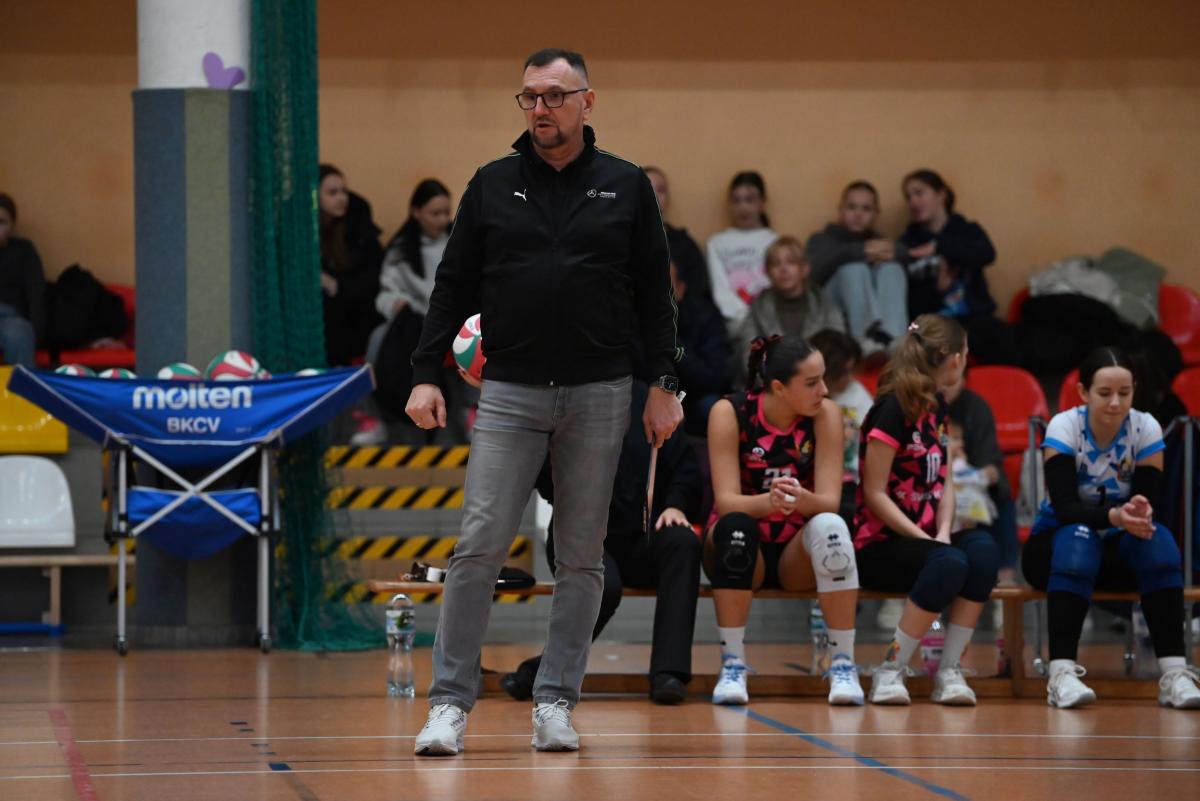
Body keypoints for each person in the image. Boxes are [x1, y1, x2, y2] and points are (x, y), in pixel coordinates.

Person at [405, 48, 683, 755]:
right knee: (478, 546)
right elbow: (452, 284)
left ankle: (556, 699)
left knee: (583, 556)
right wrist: (425, 372)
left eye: (555, 95)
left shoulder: (625, 185)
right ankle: (448, 705)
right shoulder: (492, 184)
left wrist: (666, 384)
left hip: (601, 392)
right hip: (509, 392)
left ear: (587, 101)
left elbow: (657, 295)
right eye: (530, 96)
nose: (541, 109)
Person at [500, 379, 702, 705]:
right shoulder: (561, 400)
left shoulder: (647, 399)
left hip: (644, 534)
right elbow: (539, 478)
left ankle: (669, 673)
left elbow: (685, 468)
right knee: (602, 585)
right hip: (579, 534)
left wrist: (676, 505)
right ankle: (547, 669)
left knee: (683, 543)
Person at [1022, 347, 1200, 709]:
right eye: (1104, 393)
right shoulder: (1064, 426)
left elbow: (1146, 502)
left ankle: (1175, 674)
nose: (1115, 402)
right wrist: (1116, 517)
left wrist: (1138, 510)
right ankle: (1061, 674)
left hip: (1116, 549)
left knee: (1160, 542)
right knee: (1078, 539)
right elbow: (1066, 508)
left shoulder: (1146, 427)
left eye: (1125, 392)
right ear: (1083, 392)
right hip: (1054, 548)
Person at [705, 335, 863, 707]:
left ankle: (843, 665)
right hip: (742, 547)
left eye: (823, 379)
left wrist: (800, 499)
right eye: (812, 383)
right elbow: (726, 502)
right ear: (779, 387)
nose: (824, 390)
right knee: (736, 528)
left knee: (833, 528)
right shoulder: (729, 412)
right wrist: (771, 501)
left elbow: (828, 502)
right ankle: (733, 665)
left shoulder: (827, 414)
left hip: (797, 552)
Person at [854, 314, 998, 706]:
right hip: (880, 544)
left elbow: (944, 479)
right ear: (954, 358)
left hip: (929, 542)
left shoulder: (938, 404)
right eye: (965, 352)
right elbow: (874, 493)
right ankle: (890, 669)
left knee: (983, 552)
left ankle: (949, 670)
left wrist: (944, 531)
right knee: (949, 563)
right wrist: (926, 540)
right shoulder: (892, 408)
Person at [353, 179, 454, 445]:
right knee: (377, 338)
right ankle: (373, 417)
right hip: (412, 324)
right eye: (435, 213)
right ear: (416, 212)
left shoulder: (459, 245)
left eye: (446, 212)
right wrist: (397, 304)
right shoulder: (400, 252)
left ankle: (471, 410)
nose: (442, 219)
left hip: (453, 323)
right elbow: (386, 292)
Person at [898, 169, 1017, 365]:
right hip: (932, 323)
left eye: (919, 193)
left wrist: (938, 246)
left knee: (1002, 336)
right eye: (908, 197)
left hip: (974, 318)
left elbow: (986, 253)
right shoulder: (908, 243)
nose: (913, 202)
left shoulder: (966, 231)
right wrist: (938, 290)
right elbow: (908, 302)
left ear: (941, 194)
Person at [806, 181, 907, 353]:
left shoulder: (880, 243)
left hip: (881, 327)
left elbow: (907, 256)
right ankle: (864, 341)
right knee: (853, 269)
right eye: (851, 207)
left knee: (892, 269)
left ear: (876, 213)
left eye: (866, 209)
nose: (858, 214)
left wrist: (897, 253)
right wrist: (860, 251)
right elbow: (810, 277)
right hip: (831, 314)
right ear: (841, 210)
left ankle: (894, 340)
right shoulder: (822, 239)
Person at [733, 236, 844, 386]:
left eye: (791, 262)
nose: (783, 269)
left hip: (819, 385)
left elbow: (838, 351)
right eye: (776, 264)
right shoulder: (758, 308)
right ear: (768, 272)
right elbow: (751, 358)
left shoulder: (824, 305)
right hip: (772, 389)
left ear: (805, 269)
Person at [942, 371, 1018, 586]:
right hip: (931, 486)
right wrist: (944, 454)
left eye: (952, 380)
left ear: (963, 381)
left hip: (971, 486)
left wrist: (980, 475)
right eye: (941, 379)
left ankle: (1005, 578)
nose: (945, 386)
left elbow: (990, 463)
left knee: (1001, 495)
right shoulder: (921, 407)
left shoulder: (976, 408)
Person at [318, 164, 384, 367]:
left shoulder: (358, 230)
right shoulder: (305, 236)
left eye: (344, 191)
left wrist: (336, 286)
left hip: (358, 323)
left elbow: (370, 282)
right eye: (332, 193)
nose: (342, 198)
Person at [809, 329, 872, 522]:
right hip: (815, 478)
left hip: (854, 476)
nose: (850, 378)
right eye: (844, 372)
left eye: (852, 370)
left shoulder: (856, 392)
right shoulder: (806, 398)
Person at [706, 172, 778, 331]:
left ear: (762, 203)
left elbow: (778, 284)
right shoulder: (717, 243)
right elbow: (720, 289)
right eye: (736, 201)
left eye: (749, 200)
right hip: (734, 323)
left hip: (771, 320)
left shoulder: (774, 241)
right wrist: (744, 318)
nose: (743, 207)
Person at [644, 167, 710, 300]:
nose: (654, 196)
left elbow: (698, 294)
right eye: (647, 189)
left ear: (668, 198)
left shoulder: (685, 245)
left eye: (660, 190)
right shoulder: (621, 241)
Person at [0, 193, 44, 368]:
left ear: (12, 226)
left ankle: (21, 386)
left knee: (19, 334)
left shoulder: (23, 251)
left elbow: (36, 293)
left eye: (1, 222)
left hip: (11, 318)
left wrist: (39, 332)